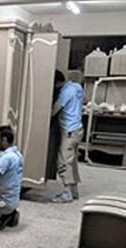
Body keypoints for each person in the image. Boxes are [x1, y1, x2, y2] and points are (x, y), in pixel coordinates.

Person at [51, 70, 85, 203]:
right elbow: (84, 100)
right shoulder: (77, 87)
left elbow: (54, 111)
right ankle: (74, 191)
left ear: (57, 83)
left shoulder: (65, 93)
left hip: (69, 132)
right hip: (78, 130)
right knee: (72, 162)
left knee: (63, 162)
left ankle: (67, 194)